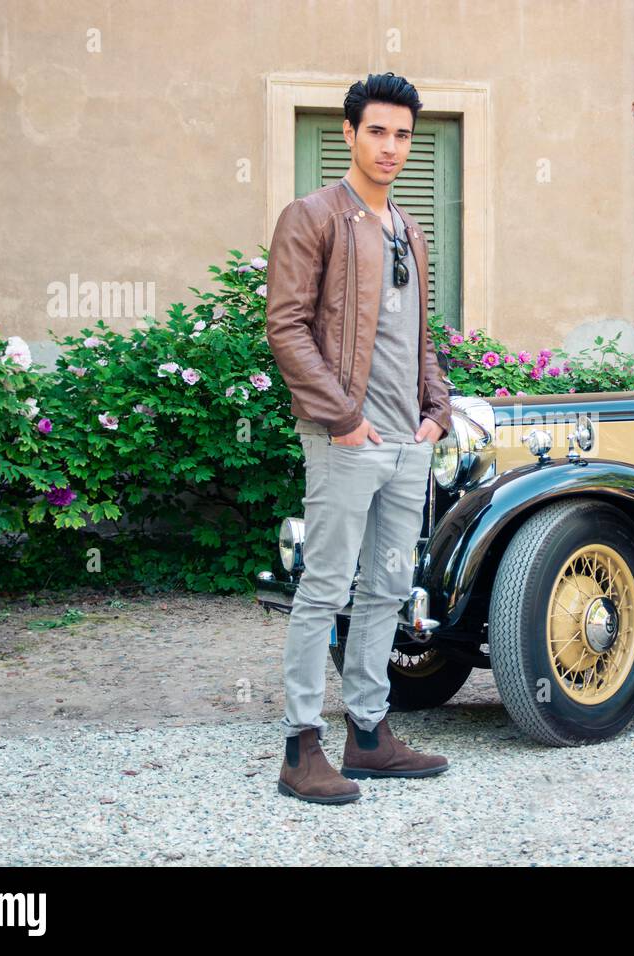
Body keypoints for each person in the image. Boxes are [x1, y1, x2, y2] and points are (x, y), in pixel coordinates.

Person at [265, 72, 453, 805]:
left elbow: (415, 337)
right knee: (324, 587)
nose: (391, 146)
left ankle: (369, 736)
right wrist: (342, 418)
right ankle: (300, 745)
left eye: (403, 134)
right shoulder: (312, 217)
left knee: (386, 588)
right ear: (348, 133)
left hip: (408, 442)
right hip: (345, 439)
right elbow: (285, 327)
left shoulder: (409, 230)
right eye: (377, 131)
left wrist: (435, 409)